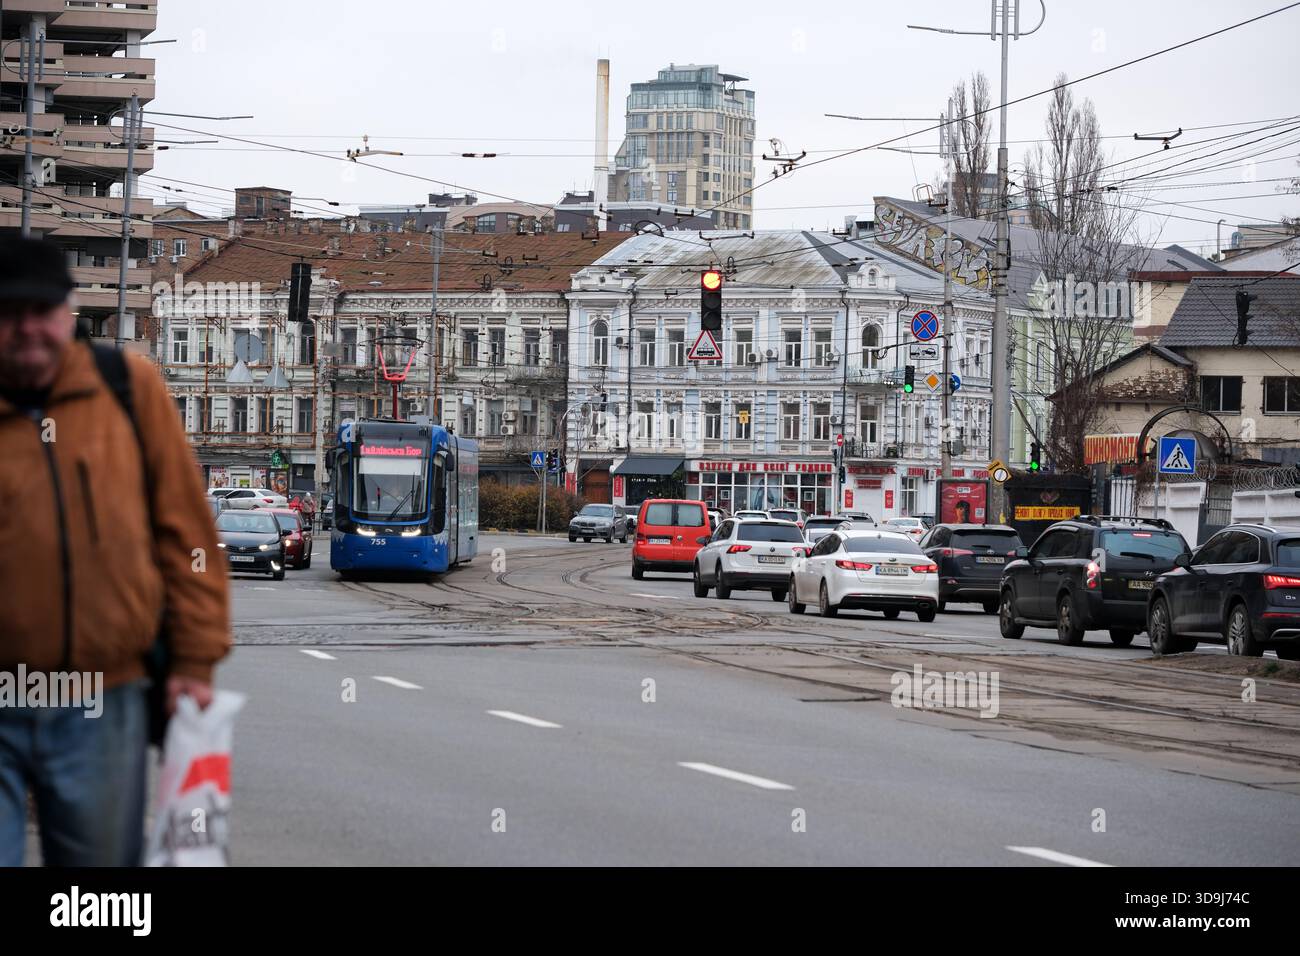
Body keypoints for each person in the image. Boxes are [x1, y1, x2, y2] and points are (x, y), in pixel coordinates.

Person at [0, 237, 231, 866]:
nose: (27, 331)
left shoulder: (126, 389)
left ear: (69, 312)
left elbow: (187, 535)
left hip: (102, 696)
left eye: (40, 312)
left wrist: (196, 659)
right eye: (8, 313)